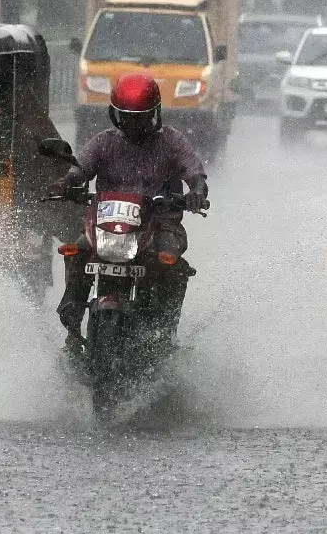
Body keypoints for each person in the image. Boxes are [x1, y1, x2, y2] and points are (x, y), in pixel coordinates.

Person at [52, 73, 209, 351]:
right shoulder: (103, 142)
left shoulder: (172, 142)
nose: (134, 124)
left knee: (172, 265)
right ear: (115, 115)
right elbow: (80, 169)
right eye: (127, 117)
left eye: (141, 117)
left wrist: (196, 191)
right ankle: (72, 325)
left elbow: (194, 171)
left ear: (155, 114)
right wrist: (67, 182)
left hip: (160, 224)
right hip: (105, 226)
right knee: (77, 252)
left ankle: (163, 333)